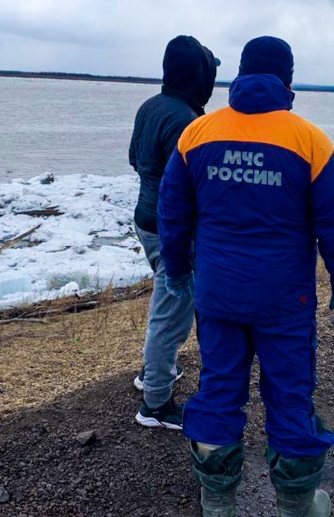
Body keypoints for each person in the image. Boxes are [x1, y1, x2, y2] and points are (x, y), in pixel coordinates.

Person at [159, 36, 334, 516]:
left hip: (218, 295)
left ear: (241, 76)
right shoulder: (309, 139)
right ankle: (295, 506)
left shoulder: (198, 134)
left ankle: (218, 504)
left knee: (218, 390)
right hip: (283, 302)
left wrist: (175, 269)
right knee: (290, 396)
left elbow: (173, 212)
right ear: (288, 81)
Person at [128, 35, 219, 430]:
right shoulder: (188, 122)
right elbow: (193, 187)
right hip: (172, 231)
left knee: (165, 303)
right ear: (197, 76)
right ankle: (156, 404)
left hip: (145, 221)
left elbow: (135, 159)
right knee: (171, 315)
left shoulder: (150, 106)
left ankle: (154, 370)